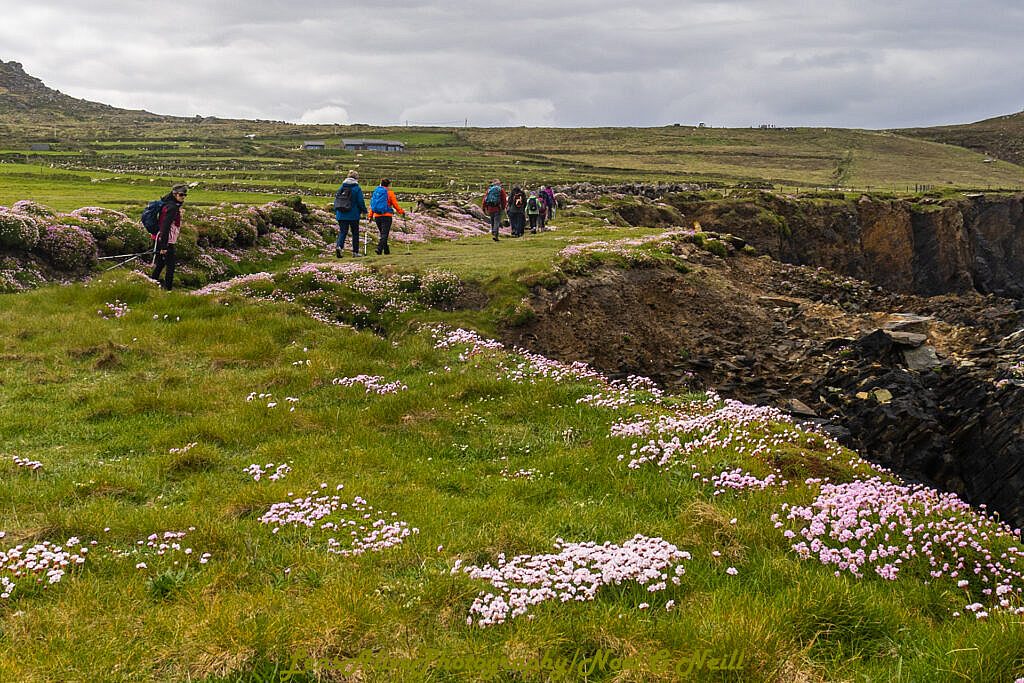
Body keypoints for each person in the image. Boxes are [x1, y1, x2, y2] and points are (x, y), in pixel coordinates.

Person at [151, 183, 188, 290]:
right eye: (181, 195)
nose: (183, 197)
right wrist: (164, 246)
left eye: (185, 195)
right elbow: (165, 226)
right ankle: (168, 290)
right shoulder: (172, 207)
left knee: (160, 264)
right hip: (166, 241)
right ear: (174, 194)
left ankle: (152, 284)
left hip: (158, 238)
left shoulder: (167, 204)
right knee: (170, 267)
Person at [367, 178, 405, 255]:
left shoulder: (376, 192)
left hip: (377, 216)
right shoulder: (390, 193)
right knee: (384, 234)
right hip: (386, 215)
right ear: (389, 185)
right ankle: (379, 248)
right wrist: (401, 212)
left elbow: (373, 204)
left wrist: (370, 215)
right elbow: (395, 204)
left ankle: (386, 251)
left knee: (382, 234)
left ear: (380, 184)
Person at [334, 170, 366, 257]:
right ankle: (355, 252)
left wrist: (336, 211)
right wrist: (364, 210)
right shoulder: (357, 188)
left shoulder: (341, 188)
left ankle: (339, 247)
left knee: (343, 232)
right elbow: (360, 202)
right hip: (353, 215)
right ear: (356, 178)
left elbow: (336, 200)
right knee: (355, 233)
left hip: (341, 214)